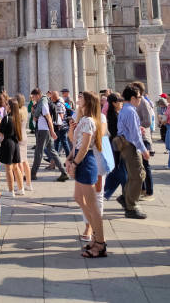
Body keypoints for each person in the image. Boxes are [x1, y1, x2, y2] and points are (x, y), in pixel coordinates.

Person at [66, 91, 107, 258]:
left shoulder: (90, 121)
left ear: (88, 102)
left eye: (81, 97)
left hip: (86, 162)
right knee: (78, 198)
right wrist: (69, 157)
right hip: (79, 159)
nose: (78, 99)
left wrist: (75, 163)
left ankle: (100, 243)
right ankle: (96, 236)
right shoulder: (82, 120)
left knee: (93, 206)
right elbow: (75, 142)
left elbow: (85, 147)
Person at [116, 84, 149, 219]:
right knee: (138, 176)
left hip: (124, 143)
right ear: (133, 98)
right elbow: (135, 135)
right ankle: (131, 206)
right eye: (139, 97)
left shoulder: (125, 109)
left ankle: (126, 198)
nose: (140, 99)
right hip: (131, 146)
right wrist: (144, 150)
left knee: (133, 175)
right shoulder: (131, 111)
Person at [30, 88, 69, 182]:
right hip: (44, 130)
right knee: (52, 152)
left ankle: (32, 174)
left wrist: (52, 131)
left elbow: (49, 118)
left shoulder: (43, 104)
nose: (33, 98)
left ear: (38, 95)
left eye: (34, 96)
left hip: (44, 131)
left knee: (38, 152)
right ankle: (63, 173)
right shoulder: (41, 103)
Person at [132, 81, 154, 200]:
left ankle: (149, 191)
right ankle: (143, 189)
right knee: (140, 165)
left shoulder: (143, 103)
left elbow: (148, 122)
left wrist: (135, 124)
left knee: (145, 165)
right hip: (137, 137)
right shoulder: (136, 103)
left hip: (144, 138)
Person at [0, 99, 24, 196]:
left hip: (8, 143)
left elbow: (1, 132)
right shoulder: (17, 118)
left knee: (8, 168)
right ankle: (21, 188)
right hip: (15, 143)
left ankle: (11, 190)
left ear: (10, 106)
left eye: (6, 104)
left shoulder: (6, 118)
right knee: (16, 167)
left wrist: (0, 123)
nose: (5, 106)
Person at [104, 93, 127, 202]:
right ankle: (123, 194)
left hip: (115, 145)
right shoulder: (113, 116)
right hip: (117, 145)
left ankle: (106, 191)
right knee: (119, 170)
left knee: (118, 170)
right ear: (114, 103)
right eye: (119, 101)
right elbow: (115, 132)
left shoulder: (116, 113)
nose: (121, 103)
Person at [14, 93, 32, 191]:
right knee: (25, 161)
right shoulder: (24, 110)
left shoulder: (17, 112)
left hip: (18, 137)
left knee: (19, 162)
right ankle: (29, 184)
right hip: (24, 136)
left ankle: (20, 185)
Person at [52, 91, 71, 157]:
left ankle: (69, 158)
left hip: (61, 127)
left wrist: (58, 127)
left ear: (54, 97)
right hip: (61, 126)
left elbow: (61, 116)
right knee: (57, 142)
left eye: (51, 96)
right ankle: (54, 159)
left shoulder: (58, 104)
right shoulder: (59, 103)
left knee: (64, 143)